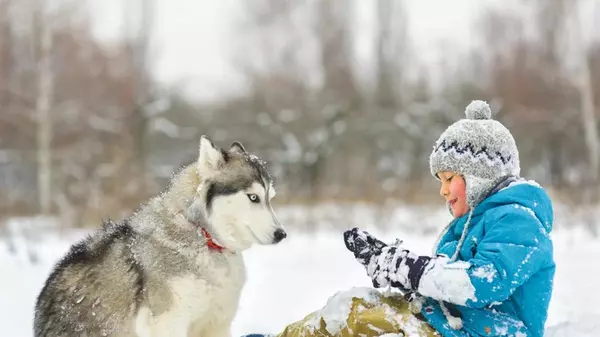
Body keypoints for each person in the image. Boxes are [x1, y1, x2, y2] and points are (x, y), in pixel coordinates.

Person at [247, 100, 555, 337]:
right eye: (440, 181)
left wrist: (407, 268)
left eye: (449, 178)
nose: (443, 190)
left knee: (367, 321)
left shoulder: (520, 221)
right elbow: (447, 289)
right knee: (354, 307)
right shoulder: (471, 223)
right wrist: (390, 266)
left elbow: (481, 284)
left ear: (479, 176)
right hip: (450, 326)